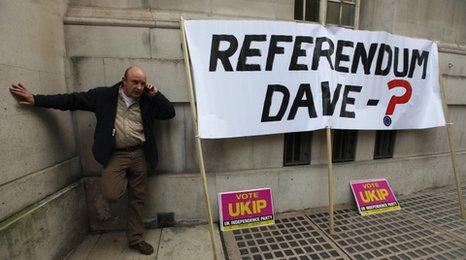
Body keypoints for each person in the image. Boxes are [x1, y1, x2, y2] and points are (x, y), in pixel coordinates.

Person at [9, 66, 175, 255]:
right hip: (116, 155)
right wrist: (37, 99)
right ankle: (122, 181)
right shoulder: (104, 96)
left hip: (139, 154)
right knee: (111, 194)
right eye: (134, 82)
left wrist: (155, 94)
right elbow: (71, 100)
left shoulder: (147, 100)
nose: (139, 87)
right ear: (124, 80)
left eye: (142, 83)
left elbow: (169, 112)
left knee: (138, 199)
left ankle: (136, 239)